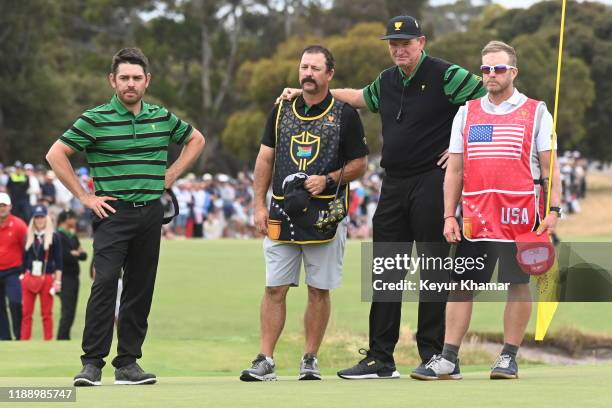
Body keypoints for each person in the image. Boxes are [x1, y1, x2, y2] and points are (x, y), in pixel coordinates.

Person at [279, 16, 486, 379]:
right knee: (386, 269)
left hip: (433, 181)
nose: (398, 48)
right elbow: (359, 97)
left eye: (405, 42)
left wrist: (463, 150)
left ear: (421, 41)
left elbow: (487, 98)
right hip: (393, 184)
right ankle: (380, 357)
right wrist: (310, 93)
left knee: (433, 270)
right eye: (393, 42)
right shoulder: (387, 80)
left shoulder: (445, 74)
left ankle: (436, 355)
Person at [45, 47, 205, 386]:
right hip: (113, 212)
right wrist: (84, 196)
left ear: (147, 81)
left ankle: (128, 362)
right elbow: (56, 153)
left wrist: (171, 175)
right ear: (112, 81)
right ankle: (92, 363)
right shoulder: (96, 118)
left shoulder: (161, 117)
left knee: (139, 288)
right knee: (104, 283)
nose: (130, 84)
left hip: (150, 212)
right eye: (124, 78)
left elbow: (196, 140)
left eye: (136, 78)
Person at [411, 41, 561, 381]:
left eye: (499, 69)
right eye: (486, 69)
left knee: (516, 282)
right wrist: (449, 215)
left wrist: (554, 209)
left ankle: (508, 356)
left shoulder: (536, 111)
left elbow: (551, 170)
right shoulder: (467, 111)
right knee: (461, 284)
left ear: (513, 72)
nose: (491, 75)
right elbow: (455, 170)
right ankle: (448, 358)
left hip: (521, 215)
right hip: (476, 217)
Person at [240, 45, 368, 382]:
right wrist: (257, 204)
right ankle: (265, 359)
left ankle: (309, 358)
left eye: (315, 68)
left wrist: (327, 179)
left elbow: (359, 165)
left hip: (325, 216)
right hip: (282, 212)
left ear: (329, 74)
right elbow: (265, 159)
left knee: (318, 290)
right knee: (274, 288)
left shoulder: (345, 114)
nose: (307, 74)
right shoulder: (281, 109)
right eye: (304, 68)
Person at [21, 204, 63, 341]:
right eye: (36, 217)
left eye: (41, 217)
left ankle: (48, 341)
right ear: (33, 219)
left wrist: (57, 281)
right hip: (29, 277)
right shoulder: (29, 236)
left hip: (47, 277)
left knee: (46, 313)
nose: (39, 220)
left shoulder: (54, 237)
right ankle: (24, 341)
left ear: (47, 218)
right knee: (26, 313)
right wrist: (22, 275)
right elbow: (24, 258)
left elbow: (59, 261)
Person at [56, 209, 87, 340]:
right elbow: (63, 256)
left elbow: (84, 255)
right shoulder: (58, 235)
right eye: (73, 218)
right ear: (67, 219)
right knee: (67, 311)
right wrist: (74, 253)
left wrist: (75, 253)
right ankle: (62, 338)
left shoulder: (72, 235)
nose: (75, 221)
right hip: (64, 277)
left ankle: (65, 337)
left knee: (71, 311)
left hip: (74, 277)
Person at [0, 192, 28, 340]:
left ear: (10, 206)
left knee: (15, 303)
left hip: (13, 271)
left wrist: (25, 270)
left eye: (4, 205)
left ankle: (19, 336)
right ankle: (4, 338)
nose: (1, 208)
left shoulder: (19, 225)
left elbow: (26, 249)